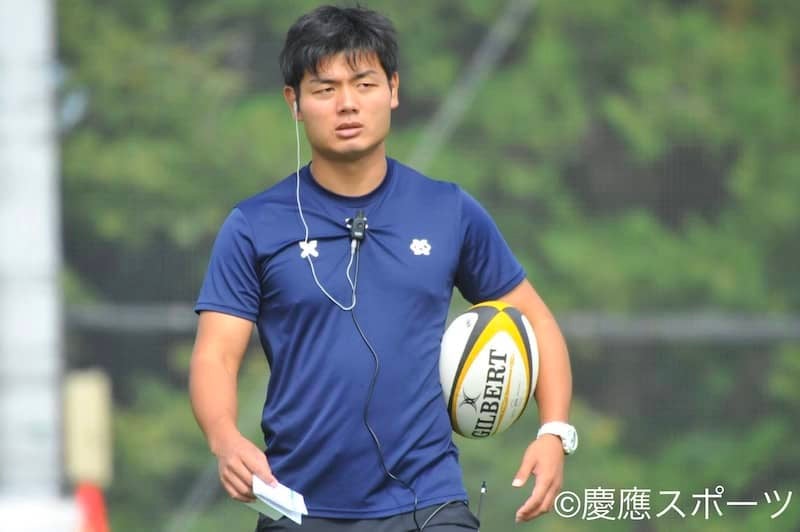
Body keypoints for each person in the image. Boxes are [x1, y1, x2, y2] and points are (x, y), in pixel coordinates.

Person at [189, 5, 576, 531]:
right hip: (297, 506)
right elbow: (215, 353)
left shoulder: (448, 209)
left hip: (430, 504)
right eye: (325, 89)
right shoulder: (254, 225)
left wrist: (555, 431)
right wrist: (224, 438)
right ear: (294, 102)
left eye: (364, 84)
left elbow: (536, 320)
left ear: (393, 89)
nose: (347, 103)